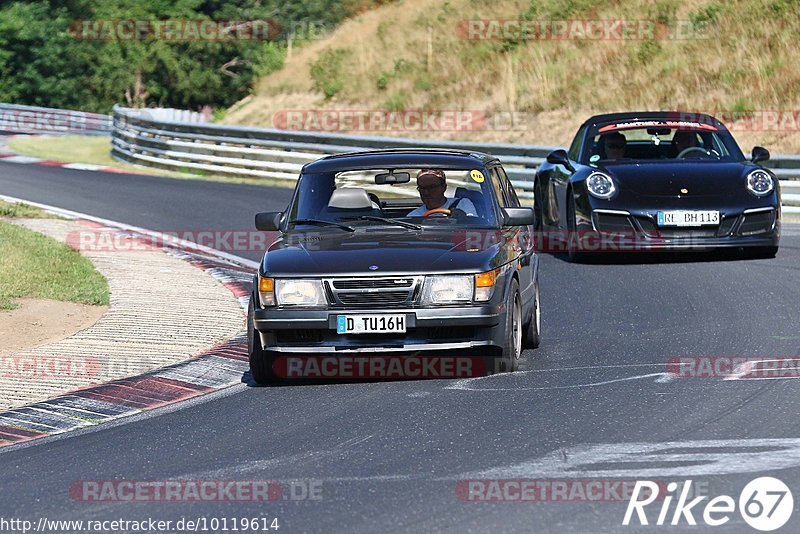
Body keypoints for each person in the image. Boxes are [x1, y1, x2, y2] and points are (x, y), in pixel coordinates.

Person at [407, 169, 478, 217]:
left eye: (431, 187)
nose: (426, 192)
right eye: (422, 188)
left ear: (443, 188)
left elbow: (476, 230)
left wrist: (463, 218)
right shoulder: (414, 216)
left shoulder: (463, 204)